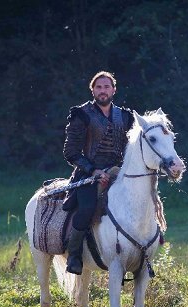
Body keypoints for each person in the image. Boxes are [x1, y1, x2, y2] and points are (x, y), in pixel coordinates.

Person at [62, 71, 134, 275]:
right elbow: (71, 152)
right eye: (99, 87)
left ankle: (142, 252)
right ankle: (74, 255)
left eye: (107, 87)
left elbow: (132, 148)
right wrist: (93, 170)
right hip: (88, 174)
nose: (103, 91)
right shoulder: (82, 114)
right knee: (87, 208)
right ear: (93, 90)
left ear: (114, 90)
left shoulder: (126, 117)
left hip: (118, 173)